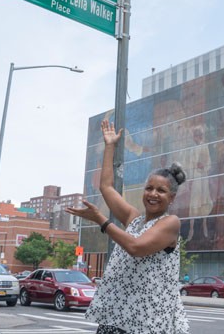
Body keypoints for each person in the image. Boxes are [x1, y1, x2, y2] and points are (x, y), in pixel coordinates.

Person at [66, 119, 189, 334]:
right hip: (118, 314)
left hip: (148, 321)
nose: (152, 194)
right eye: (149, 188)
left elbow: (136, 247)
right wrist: (110, 146)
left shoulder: (171, 222)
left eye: (160, 191)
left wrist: (102, 221)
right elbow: (106, 186)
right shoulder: (134, 219)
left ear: (172, 198)